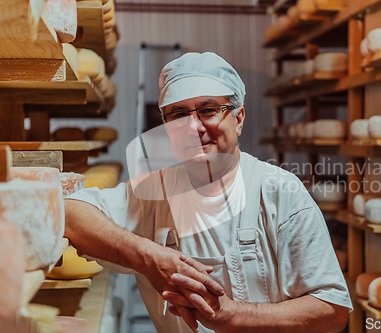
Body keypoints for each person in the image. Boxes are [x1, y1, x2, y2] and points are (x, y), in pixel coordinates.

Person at [64, 52, 352, 333]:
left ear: (238, 118)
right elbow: (69, 213)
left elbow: (332, 310)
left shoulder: (280, 193)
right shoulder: (153, 192)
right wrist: (147, 256)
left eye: (208, 110)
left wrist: (235, 317)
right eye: (178, 115)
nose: (193, 127)